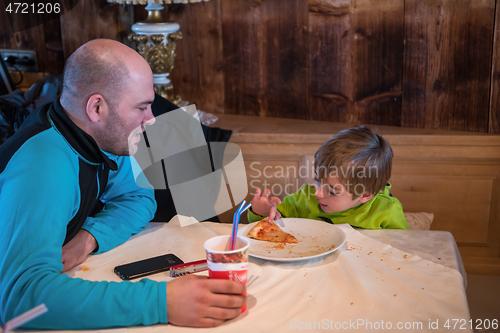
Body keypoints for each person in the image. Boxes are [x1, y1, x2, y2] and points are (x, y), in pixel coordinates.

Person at [0, 39, 245, 330]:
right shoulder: (43, 165)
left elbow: (139, 198)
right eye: (141, 108)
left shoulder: (97, 137)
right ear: (97, 107)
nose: (152, 120)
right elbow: (20, 300)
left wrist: (88, 238)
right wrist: (162, 302)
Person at [249, 126, 409, 229]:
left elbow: (403, 247)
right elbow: (272, 226)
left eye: (332, 191)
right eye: (318, 180)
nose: (317, 193)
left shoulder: (387, 211)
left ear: (364, 195)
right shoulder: (303, 199)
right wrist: (262, 211)